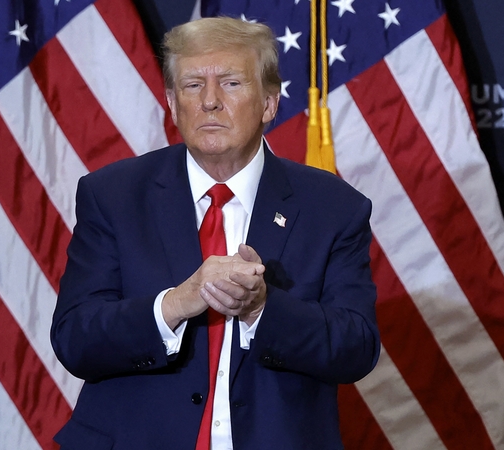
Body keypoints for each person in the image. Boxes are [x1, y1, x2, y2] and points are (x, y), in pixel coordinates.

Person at [51, 16, 379, 450]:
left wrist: (261, 309)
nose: (210, 101)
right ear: (173, 104)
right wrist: (174, 304)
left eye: (230, 83)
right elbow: (75, 338)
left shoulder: (334, 208)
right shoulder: (112, 195)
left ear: (269, 103)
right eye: (193, 85)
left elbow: (356, 348)